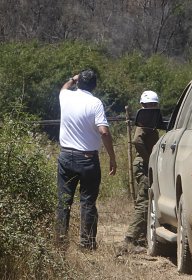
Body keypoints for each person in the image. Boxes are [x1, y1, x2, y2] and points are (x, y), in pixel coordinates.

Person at [56, 69, 117, 250]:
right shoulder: (95, 103)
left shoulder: (65, 96)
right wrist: (112, 158)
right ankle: (87, 244)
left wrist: (73, 78)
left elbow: (64, 86)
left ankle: (60, 243)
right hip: (88, 159)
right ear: (95, 85)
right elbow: (104, 131)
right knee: (88, 202)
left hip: (66, 155)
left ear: (78, 82)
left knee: (63, 202)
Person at [119, 90, 159, 254]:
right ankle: (130, 239)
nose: (152, 107)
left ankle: (140, 237)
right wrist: (149, 159)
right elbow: (137, 141)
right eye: (149, 105)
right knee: (144, 202)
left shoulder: (149, 120)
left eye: (154, 105)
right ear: (143, 105)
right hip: (143, 164)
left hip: (144, 163)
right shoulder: (143, 121)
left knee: (145, 201)